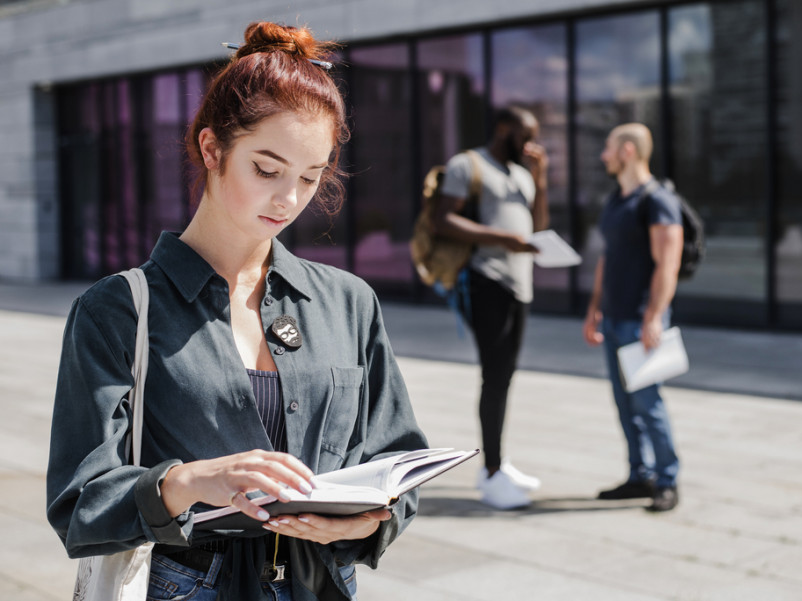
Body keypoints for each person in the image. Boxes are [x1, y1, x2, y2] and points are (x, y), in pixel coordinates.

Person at [46, 21, 428, 601]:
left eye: (310, 176)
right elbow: (79, 503)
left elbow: (400, 462)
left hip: (322, 582)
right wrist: (193, 481)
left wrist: (367, 523)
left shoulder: (348, 301)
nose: (289, 199)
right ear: (212, 148)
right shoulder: (117, 310)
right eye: (267, 170)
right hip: (187, 584)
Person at [434, 106, 549, 510]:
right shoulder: (469, 165)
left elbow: (538, 228)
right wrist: (503, 239)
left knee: (505, 376)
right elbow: (441, 220)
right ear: (503, 129)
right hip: (487, 282)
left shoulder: (521, 173)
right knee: (495, 376)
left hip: (520, 285)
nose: (531, 144)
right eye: (525, 134)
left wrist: (541, 178)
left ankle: (499, 463)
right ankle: (492, 474)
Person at [582, 123, 683, 512]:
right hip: (614, 317)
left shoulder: (658, 201)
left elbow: (667, 264)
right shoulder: (616, 200)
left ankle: (668, 479)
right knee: (624, 403)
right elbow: (607, 258)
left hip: (641, 321)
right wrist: (595, 307)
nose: (603, 155)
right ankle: (638, 475)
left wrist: (654, 317)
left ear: (627, 150)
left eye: (608, 148)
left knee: (648, 403)